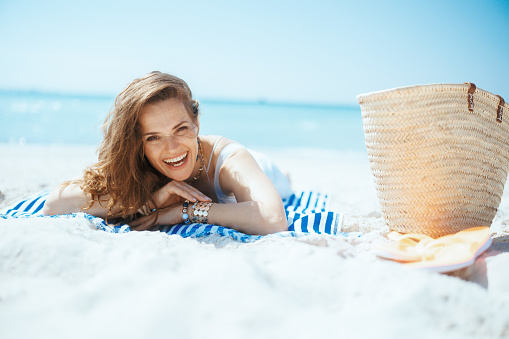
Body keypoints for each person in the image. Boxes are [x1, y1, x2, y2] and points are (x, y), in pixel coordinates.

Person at [42, 71, 292, 235]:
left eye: (181, 129)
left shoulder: (228, 162)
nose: (171, 148)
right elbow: (55, 204)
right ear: (137, 143)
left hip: (267, 171)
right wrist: (150, 201)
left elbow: (272, 219)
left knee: (284, 179)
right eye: (153, 137)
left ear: (196, 124)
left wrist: (183, 211)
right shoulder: (139, 164)